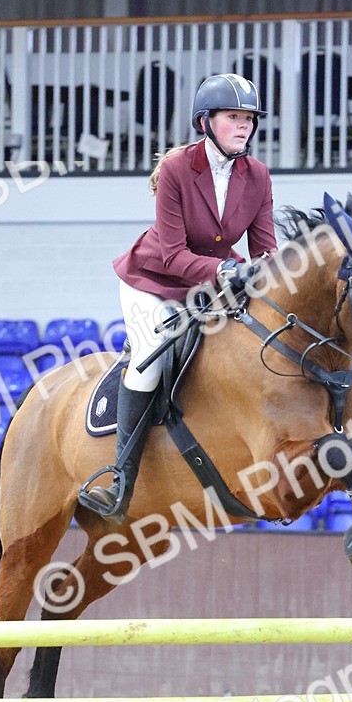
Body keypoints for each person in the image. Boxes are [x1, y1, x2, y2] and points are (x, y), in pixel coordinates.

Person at [78, 72, 277, 519]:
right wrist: (227, 269)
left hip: (210, 284)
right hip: (153, 281)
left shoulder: (259, 176)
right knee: (151, 356)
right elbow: (171, 255)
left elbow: (265, 250)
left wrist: (274, 279)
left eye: (249, 118)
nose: (244, 126)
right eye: (233, 117)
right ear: (205, 122)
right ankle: (120, 483)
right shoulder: (176, 169)